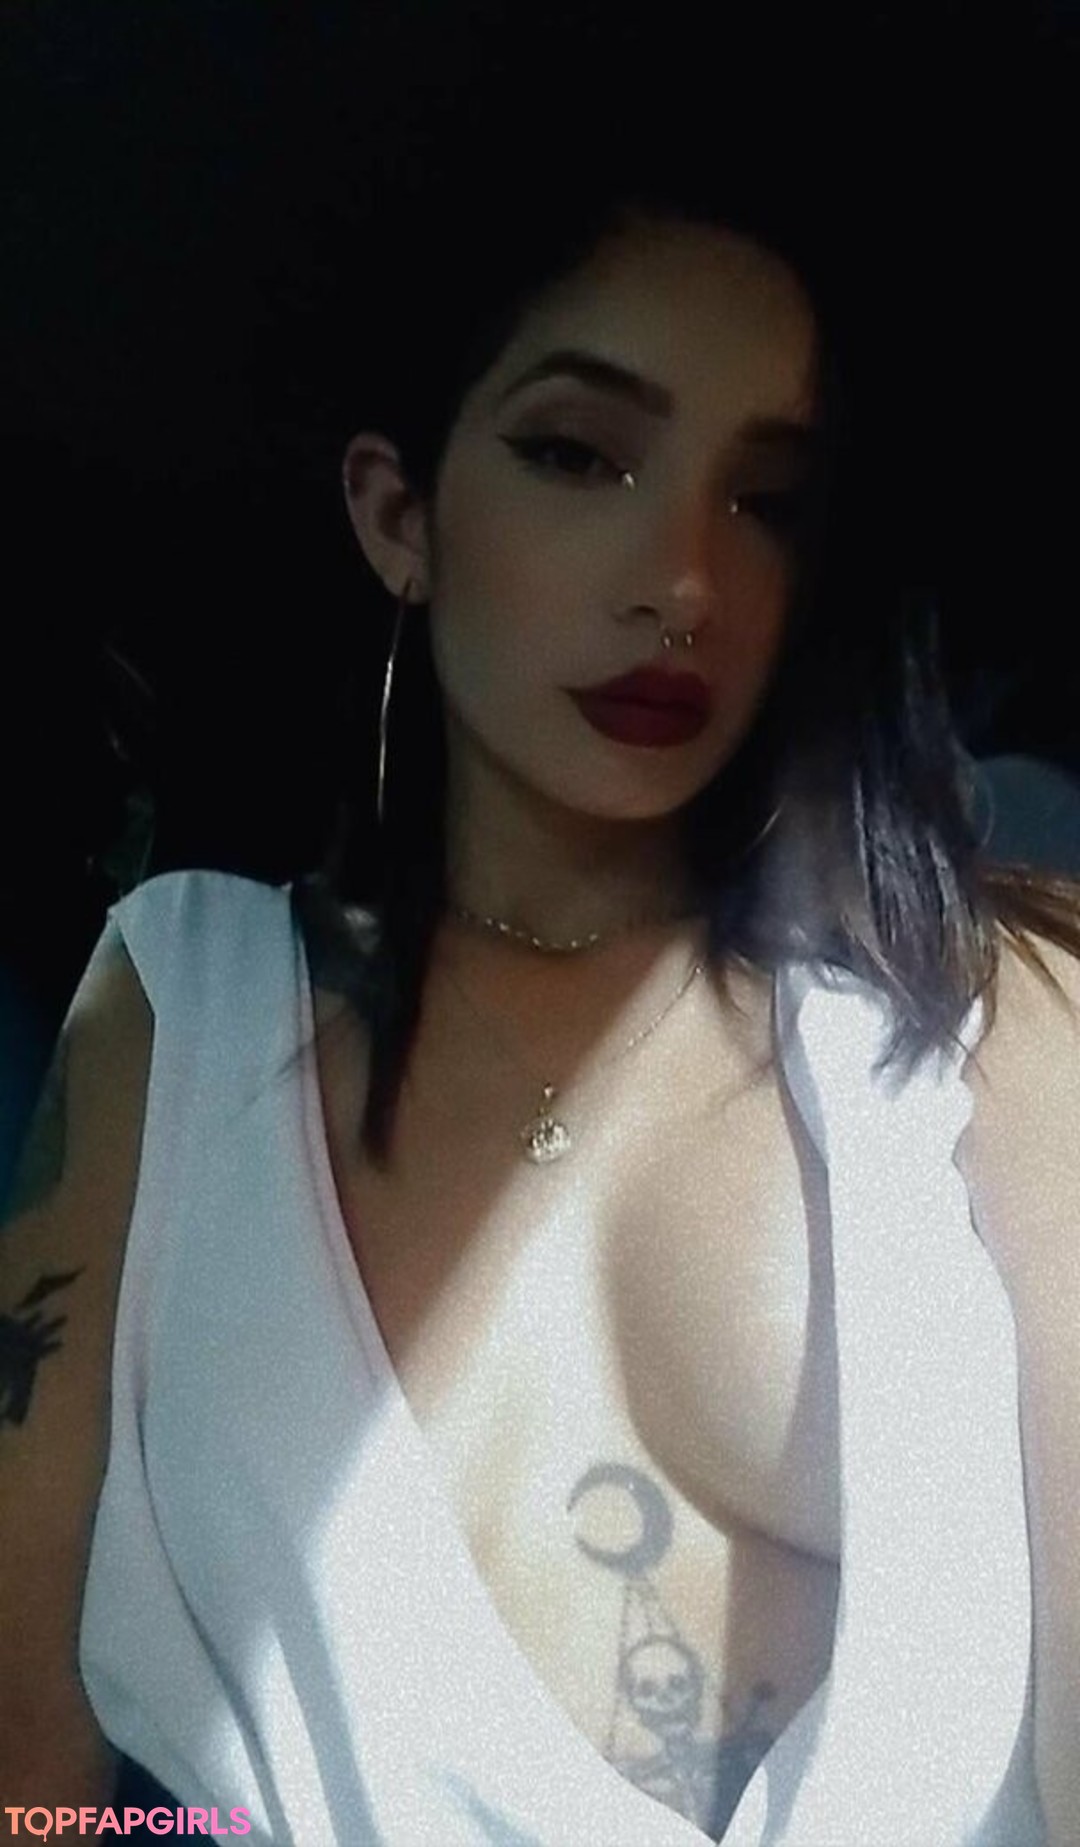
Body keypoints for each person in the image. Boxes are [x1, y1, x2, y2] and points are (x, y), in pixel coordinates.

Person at [3, 59, 1080, 1847]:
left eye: (766, 498)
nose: (685, 579)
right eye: (581, 454)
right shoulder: (180, 1007)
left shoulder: (997, 1014)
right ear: (399, 516)